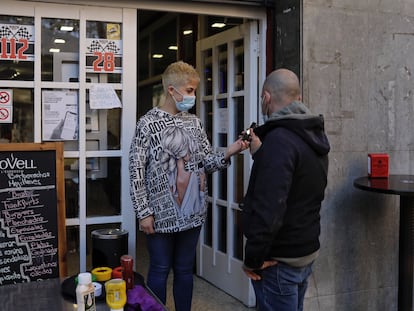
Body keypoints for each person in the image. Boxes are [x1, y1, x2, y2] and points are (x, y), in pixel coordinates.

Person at [129, 61, 248, 311]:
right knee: (160, 269)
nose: (193, 96)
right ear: (172, 90)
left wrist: (229, 152)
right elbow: (136, 169)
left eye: (194, 90)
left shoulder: (194, 123)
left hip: (192, 212)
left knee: (184, 270)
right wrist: (144, 212)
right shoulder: (147, 123)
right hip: (159, 215)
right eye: (190, 90)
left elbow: (204, 161)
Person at [241, 68, 330, 311]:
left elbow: (269, 209)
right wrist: (263, 155)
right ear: (298, 99)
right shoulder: (310, 135)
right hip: (304, 251)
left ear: (266, 98)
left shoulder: (279, 141)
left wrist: (252, 259)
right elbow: (299, 185)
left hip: (277, 262)